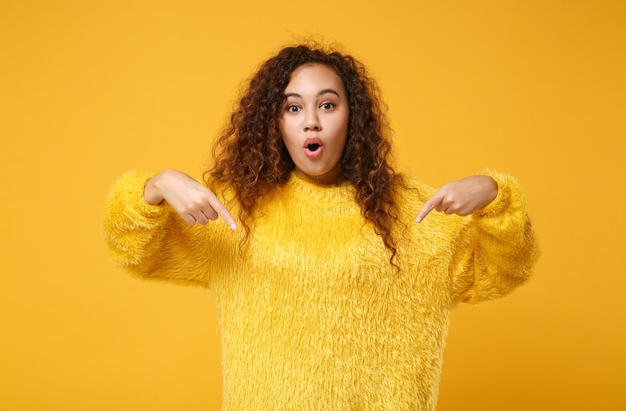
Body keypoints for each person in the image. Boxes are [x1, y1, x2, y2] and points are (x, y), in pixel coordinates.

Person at [102, 43, 539, 411]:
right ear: (275, 123)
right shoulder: (237, 213)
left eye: (327, 105)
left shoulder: (414, 213)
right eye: (293, 108)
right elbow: (133, 251)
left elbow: (505, 271)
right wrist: (155, 187)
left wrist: (494, 194)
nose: (311, 120)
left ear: (353, 117)